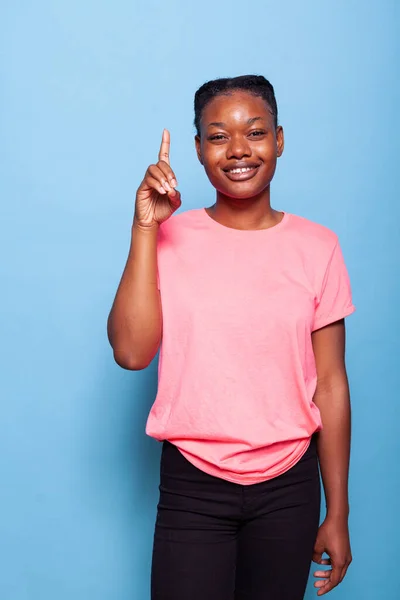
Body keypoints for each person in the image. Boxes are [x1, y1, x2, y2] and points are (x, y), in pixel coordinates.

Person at [107, 74, 355, 600]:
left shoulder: (319, 247)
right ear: (198, 150)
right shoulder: (169, 237)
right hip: (192, 485)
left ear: (280, 140)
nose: (238, 150)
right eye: (218, 136)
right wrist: (145, 228)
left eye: (256, 132)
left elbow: (330, 385)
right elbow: (131, 353)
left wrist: (338, 512)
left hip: (288, 486)